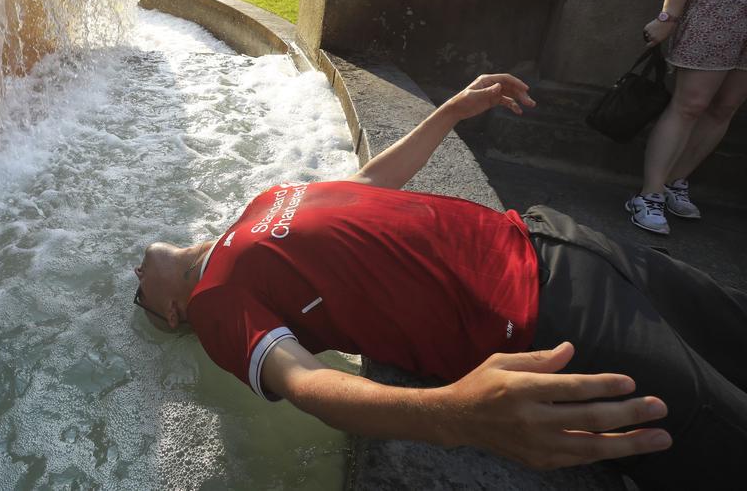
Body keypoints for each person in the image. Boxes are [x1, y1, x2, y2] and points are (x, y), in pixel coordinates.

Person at [133, 74, 747, 487]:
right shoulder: (215, 301)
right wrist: (453, 415)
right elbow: (305, 383)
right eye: (138, 283)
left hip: (552, 239)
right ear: (169, 312)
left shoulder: (258, 206)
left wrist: (450, 111)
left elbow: (370, 184)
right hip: (549, 323)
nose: (136, 266)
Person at [630, 0, 747, 235]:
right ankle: (648, 194)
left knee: (726, 106)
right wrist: (669, 16)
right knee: (691, 103)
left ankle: (673, 182)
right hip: (719, 4)